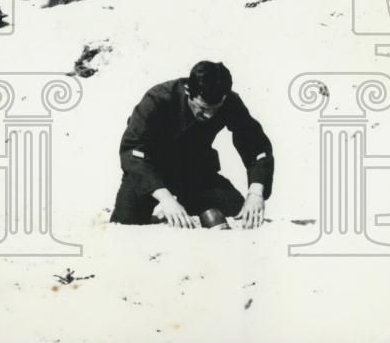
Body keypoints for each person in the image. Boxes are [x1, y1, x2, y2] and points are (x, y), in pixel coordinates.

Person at [110, 61, 273, 229]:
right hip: (151, 172)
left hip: (195, 172)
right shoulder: (157, 99)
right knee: (125, 225)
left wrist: (255, 194)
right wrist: (166, 199)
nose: (209, 116)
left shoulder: (230, 102)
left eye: (215, 109)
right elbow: (132, 151)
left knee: (237, 214)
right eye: (202, 108)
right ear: (188, 91)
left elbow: (257, 146)